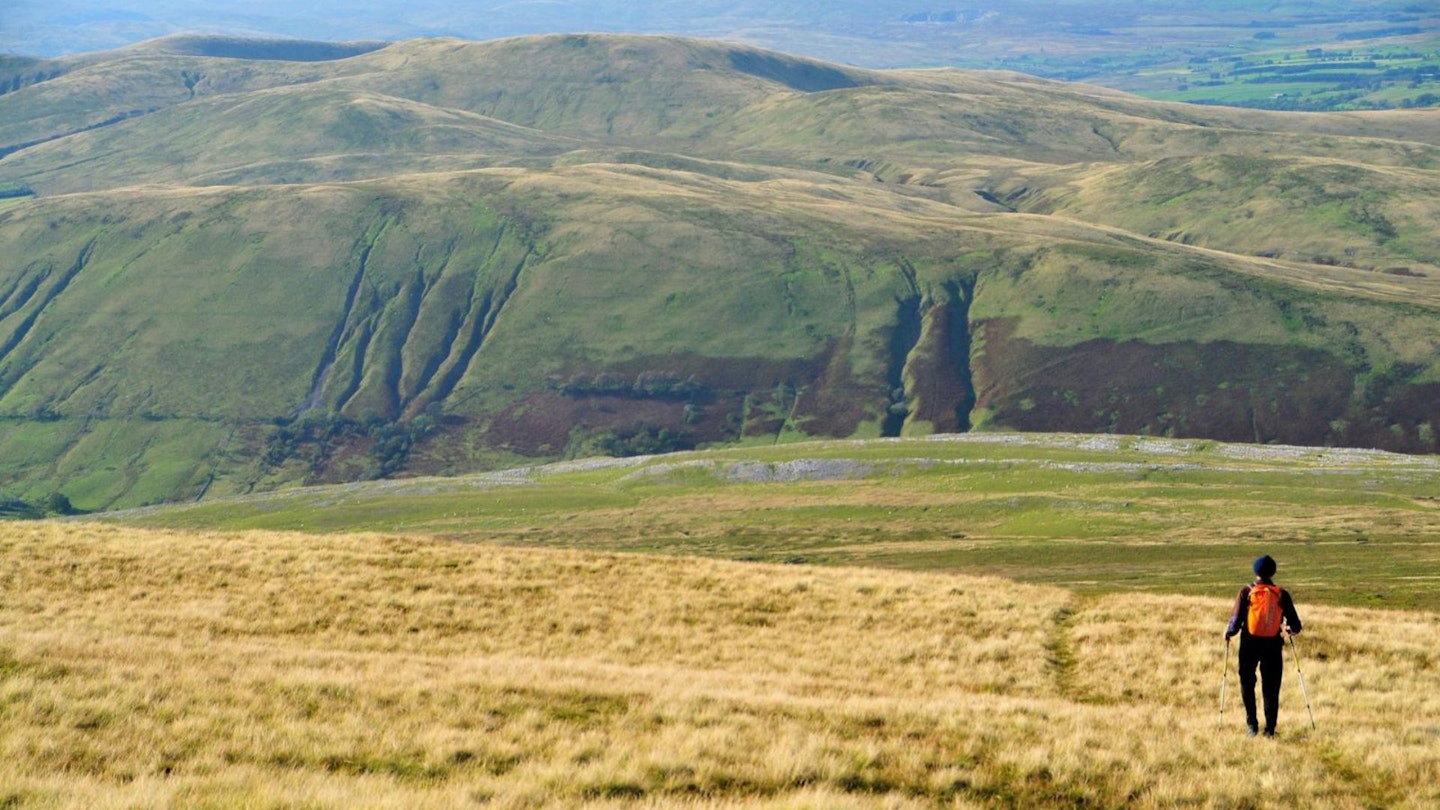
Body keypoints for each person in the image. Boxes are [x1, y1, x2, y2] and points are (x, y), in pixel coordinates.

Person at [1224, 554, 1302, 737]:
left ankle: (1252, 724)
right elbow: (1295, 625)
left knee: (1247, 683)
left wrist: (1229, 633)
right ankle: (1270, 730)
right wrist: (1290, 630)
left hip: (1249, 644)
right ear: (1273, 572)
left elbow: (1236, 621)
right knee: (1271, 687)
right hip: (1273, 645)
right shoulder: (1281, 594)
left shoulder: (1246, 591)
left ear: (1256, 571)